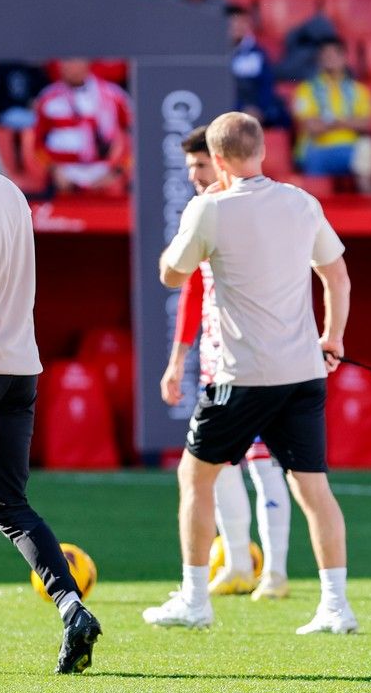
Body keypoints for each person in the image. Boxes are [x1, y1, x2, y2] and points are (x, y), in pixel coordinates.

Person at [144, 111, 356, 634]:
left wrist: (192, 222)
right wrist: (333, 336)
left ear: (216, 159)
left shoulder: (208, 208)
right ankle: (336, 605)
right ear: (263, 152)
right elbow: (337, 276)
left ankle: (195, 598)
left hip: (240, 376)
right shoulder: (303, 203)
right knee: (313, 488)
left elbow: (172, 275)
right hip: (303, 371)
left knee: (195, 476)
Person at [0, 149, 103, 673]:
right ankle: (73, 608)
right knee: (10, 505)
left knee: (8, 505)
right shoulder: (10, 193)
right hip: (19, 365)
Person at [159, 126, 293, 600]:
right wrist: (179, 359)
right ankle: (238, 561)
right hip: (221, 361)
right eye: (190, 168)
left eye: (199, 165)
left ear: (218, 161)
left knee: (265, 464)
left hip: (260, 361)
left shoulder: (246, 209)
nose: (194, 175)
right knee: (219, 465)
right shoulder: (208, 210)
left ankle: (275, 573)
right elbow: (193, 290)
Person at [32, 58, 132, 194]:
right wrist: (54, 169)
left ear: (86, 63)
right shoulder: (47, 97)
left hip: (104, 174)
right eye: (64, 61)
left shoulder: (113, 95)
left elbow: (134, 137)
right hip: (63, 176)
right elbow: (36, 144)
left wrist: (117, 171)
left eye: (73, 61)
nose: (67, 66)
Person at [291, 37, 371, 177]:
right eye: (325, 55)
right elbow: (311, 126)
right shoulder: (305, 89)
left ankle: (369, 199)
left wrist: (331, 122)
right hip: (318, 148)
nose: (330, 59)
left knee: (368, 155)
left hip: (351, 148)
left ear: (344, 58)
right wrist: (347, 122)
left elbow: (366, 123)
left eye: (335, 54)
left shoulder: (358, 90)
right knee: (314, 158)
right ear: (319, 59)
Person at [226, 5, 287, 129]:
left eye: (242, 22)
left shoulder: (258, 53)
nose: (237, 26)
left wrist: (259, 109)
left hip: (254, 110)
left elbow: (267, 85)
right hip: (226, 109)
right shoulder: (211, 54)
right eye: (233, 22)